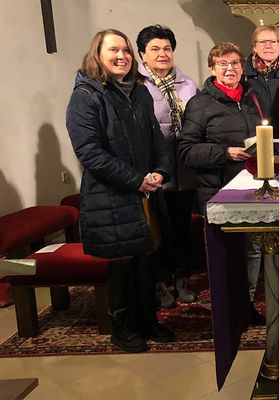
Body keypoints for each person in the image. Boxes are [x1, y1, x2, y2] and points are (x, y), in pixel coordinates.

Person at [66, 29, 175, 352]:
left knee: (146, 260)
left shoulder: (139, 92)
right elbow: (89, 152)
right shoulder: (86, 95)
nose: (121, 56)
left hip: (145, 192)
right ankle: (121, 327)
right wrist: (135, 180)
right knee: (121, 265)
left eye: (125, 50)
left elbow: (156, 138)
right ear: (97, 54)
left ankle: (147, 320)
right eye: (113, 50)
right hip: (112, 195)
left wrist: (160, 171)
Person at [178, 42, 266, 325]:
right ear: (212, 68)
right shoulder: (200, 104)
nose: (230, 69)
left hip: (252, 186)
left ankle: (246, 304)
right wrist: (225, 152)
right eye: (223, 64)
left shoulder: (253, 98)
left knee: (252, 250)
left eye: (235, 63)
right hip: (218, 190)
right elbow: (187, 150)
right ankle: (226, 309)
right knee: (224, 254)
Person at [135, 24, 199, 309]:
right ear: (142, 54)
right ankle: (160, 282)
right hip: (154, 172)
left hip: (184, 170)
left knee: (182, 228)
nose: (162, 54)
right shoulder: (136, 86)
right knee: (158, 231)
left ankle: (182, 278)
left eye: (167, 48)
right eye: (155, 49)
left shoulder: (188, 84)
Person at [243, 25, 279, 123]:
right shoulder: (242, 75)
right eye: (262, 42)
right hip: (253, 130)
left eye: (273, 42)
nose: (268, 46)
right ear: (254, 47)